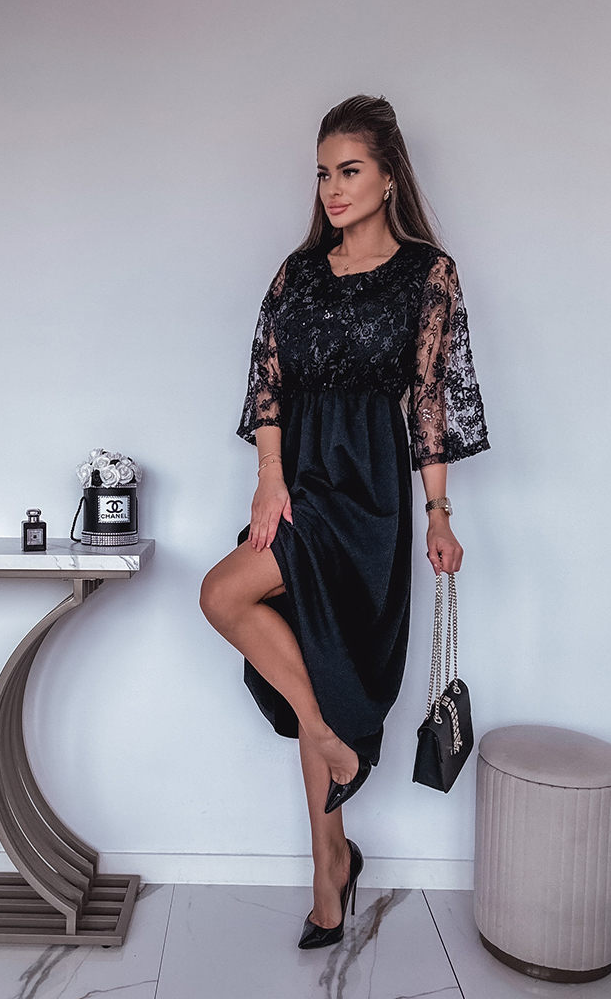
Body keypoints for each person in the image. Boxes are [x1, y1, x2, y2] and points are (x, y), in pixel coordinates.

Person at [200, 94, 489, 949]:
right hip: (299, 483)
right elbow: (267, 379)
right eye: (323, 173)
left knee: (312, 647)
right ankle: (330, 755)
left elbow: (429, 403)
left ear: (388, 177)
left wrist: (438, 513)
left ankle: (329, 872)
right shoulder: (297, 272)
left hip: (369, 494)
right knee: (227, 597)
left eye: (349, 170)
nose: (332, 188)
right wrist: (267, 480)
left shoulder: (427, 273)